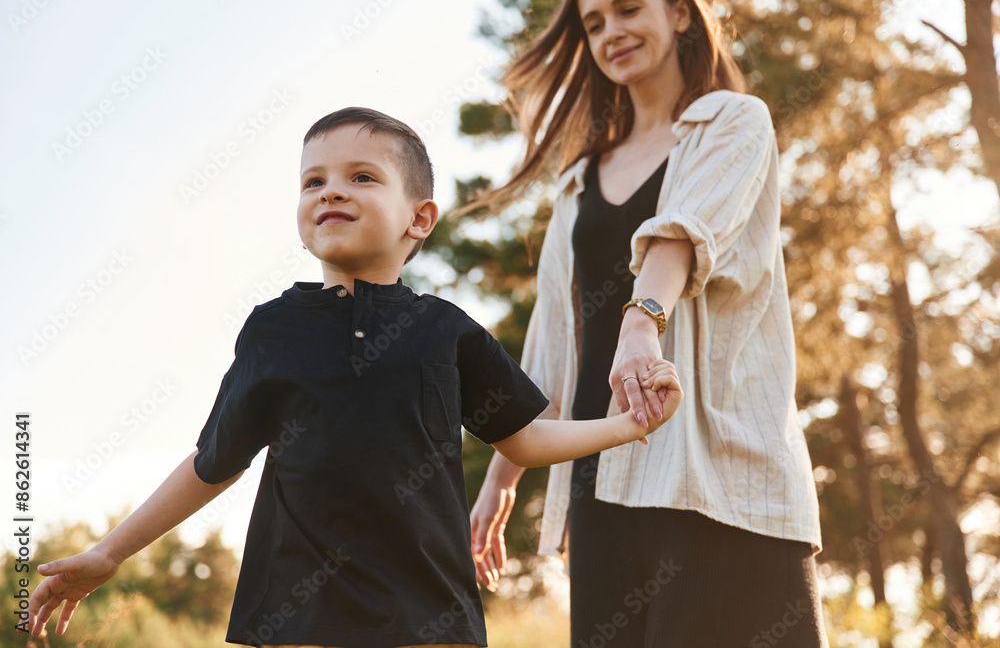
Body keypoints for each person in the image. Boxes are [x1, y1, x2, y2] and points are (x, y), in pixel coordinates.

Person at [22, 107, 683, 648]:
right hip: (298, 618)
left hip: (431, 620)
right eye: (313, 182)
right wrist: (109, 552)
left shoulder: (447, 330)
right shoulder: (272, 329)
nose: (330, 190)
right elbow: (213, 461)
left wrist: (630, 423)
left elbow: (526, 439)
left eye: (362, 176)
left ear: (419, 218)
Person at [467, 0, 827, 645]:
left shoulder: (733, 122)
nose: (611, 32)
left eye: (629, 8)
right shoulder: (576, 185)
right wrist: (501, 477)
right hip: (601, 487)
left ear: (681, 11)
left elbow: (681, 235)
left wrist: (641, 323)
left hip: (720, 481)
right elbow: (551, 344)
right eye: (594, 22)